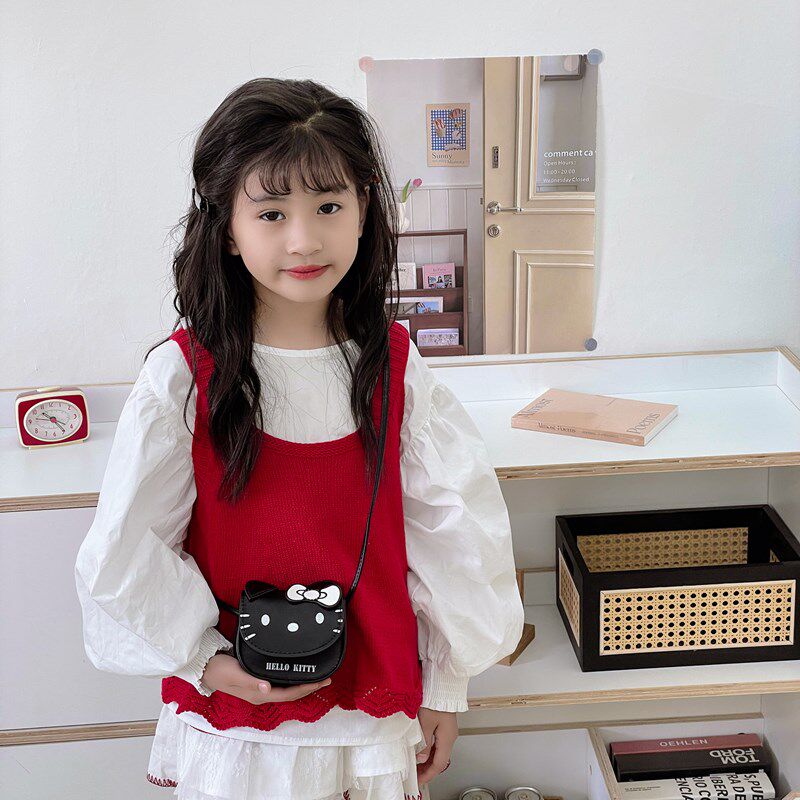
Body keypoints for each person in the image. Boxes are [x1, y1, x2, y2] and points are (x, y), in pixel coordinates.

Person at [74, 76, 525, 800]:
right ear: (227, 228)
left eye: (328, 206)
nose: (304, 239)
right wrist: (203, 660)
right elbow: (125, 551)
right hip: (238, 723)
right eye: (272, 213)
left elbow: (454, 534)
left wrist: (448, 684)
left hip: (370, 714)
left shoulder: (396, 369)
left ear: (364, 208)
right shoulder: (185, 377)